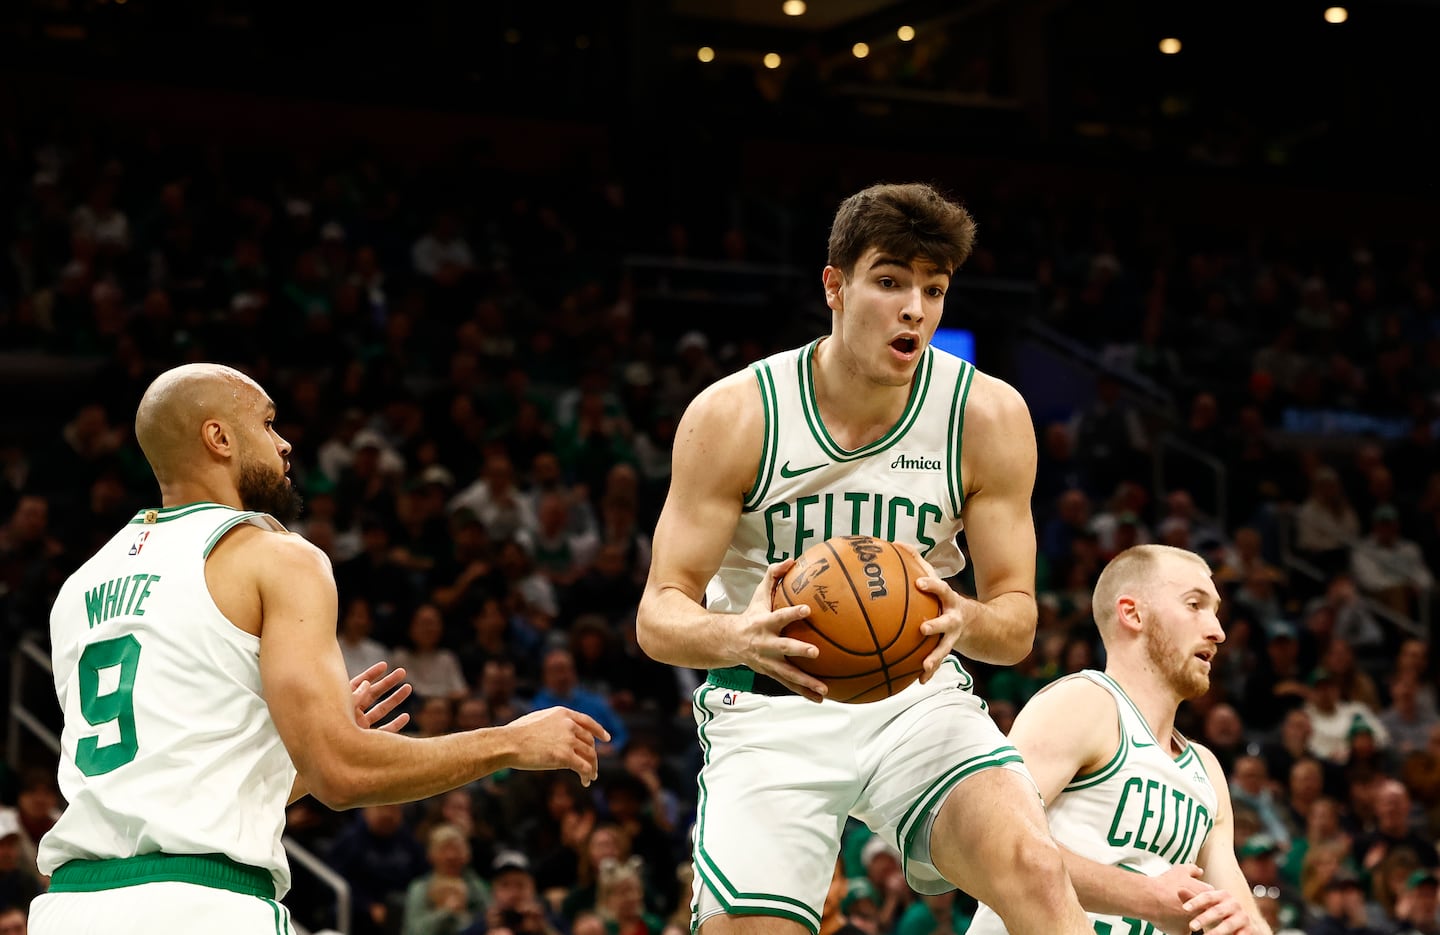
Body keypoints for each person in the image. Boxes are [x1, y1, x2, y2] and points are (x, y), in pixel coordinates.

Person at [636, 182, 1091, 935]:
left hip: (918, 700)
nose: (915, 307)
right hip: (769, 705)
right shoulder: (737, 413)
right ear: (835, 286)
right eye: (890, 281)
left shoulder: (988, 416)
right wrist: (736, 636)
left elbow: (1015, 626)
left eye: (934, 289)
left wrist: (964, 615)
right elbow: (659, 613)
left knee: (1037, 869)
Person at [30, 363, 609, 935]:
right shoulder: (276, 556)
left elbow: (183, 780)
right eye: (268, 423)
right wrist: (509, 741)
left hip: (70, 907)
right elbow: (341, 774)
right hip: (204, 905)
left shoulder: (81, 584)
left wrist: (294, 747)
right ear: (220, 437)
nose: (284, 444)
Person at [969, 544, 1271, 935]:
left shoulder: (1206, 770)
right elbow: (992, 847)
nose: (1217, 631)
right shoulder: (1085, 703)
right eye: (1195, 605)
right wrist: (1148, 898)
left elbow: (1243, 916)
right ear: (1132, 613)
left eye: (1215, 611)